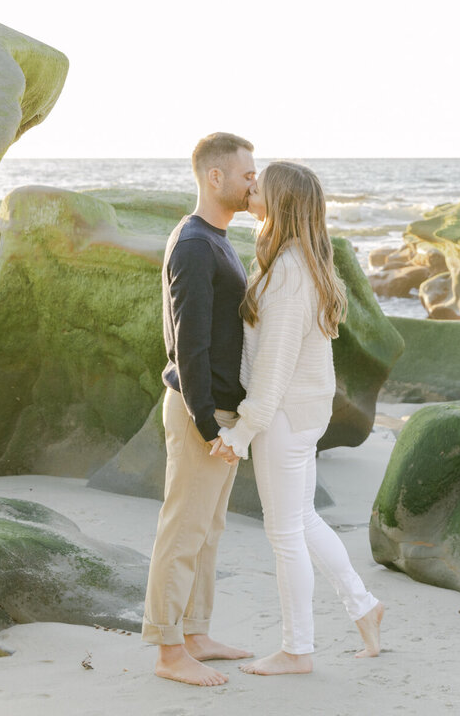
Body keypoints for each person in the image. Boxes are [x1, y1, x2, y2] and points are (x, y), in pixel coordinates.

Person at [212, 160, 384, 675]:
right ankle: (364, 606)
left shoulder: (288, 270)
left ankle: (297, 650)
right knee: (303, 520)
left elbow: (274, 365)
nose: (251, 188)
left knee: (284, 533)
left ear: (281, 200)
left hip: (285, 414)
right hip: (303, 411)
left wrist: (242, 431)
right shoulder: (289, 259)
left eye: (259, 184)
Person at [142, 132, 257, 686]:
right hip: (200, 411)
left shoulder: (215, 238)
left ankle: (195, 632)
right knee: (183, 530)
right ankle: (168, 652)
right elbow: (188, 343)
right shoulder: (193, 242)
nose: (252, 182)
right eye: (247, 174)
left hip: (220, 411)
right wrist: (207, 420)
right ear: (216, 177)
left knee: (207, 530)